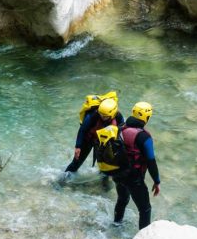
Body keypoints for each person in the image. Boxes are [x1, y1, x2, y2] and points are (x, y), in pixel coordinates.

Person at [112, 101, 160, 230]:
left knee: (122, 199)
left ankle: (116, 224)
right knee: (145, 209)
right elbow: (151, 161)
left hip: (117, 173)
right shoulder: (143, 136)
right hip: (134, 179)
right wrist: (156, 181)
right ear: (147, 118)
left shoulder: (120, 128)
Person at [65, 97, 124, 174]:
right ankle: (64, 178)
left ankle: (103, 183)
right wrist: (78, 146)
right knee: (76, 162)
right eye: (101, 115)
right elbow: (82, 130)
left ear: (112, 114)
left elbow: (122, 129)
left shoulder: (118, 116)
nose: (102, 117)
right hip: (88, 140)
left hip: (104, 143)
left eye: (105, 116)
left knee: (107, 166)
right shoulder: (93, 115)